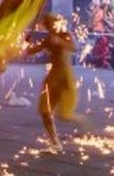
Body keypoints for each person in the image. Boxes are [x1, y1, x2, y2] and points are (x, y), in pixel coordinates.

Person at [25, 13, 79, 152]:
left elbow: (73, 47)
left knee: (64, 115)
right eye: (47, 24)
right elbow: (31, 51)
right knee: (45, 110)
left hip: (64, 76)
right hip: (52, 77)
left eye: (50, 24)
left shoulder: (64, 35)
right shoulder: (48, 39)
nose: (49, 27)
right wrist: (26, 44)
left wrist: (60, 42)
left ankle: (81, 121)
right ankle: (55, 142)